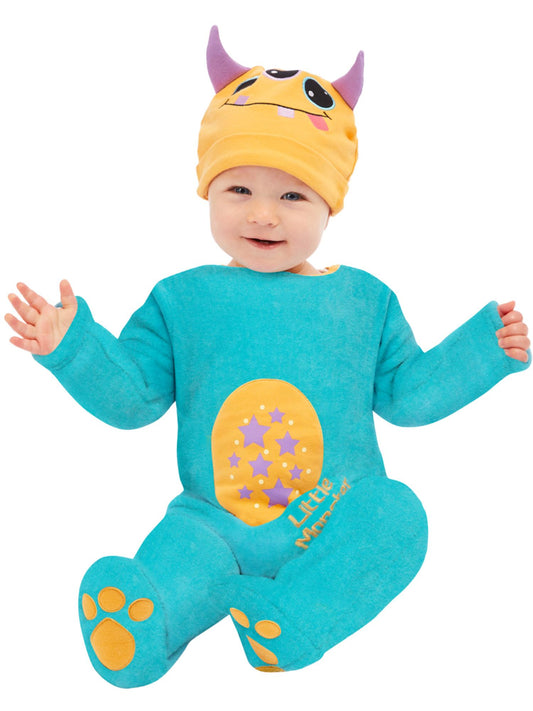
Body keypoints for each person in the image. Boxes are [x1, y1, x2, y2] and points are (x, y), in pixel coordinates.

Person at [4, 26, 530, 688]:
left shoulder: (363, 300)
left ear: (330, 204)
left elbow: (406, 394)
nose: (263, 215)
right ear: (207, 190)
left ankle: (295, 616)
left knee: (397, 518)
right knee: (178, 563)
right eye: (238, 190)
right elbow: (133, 398)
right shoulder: (181, 299)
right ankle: (145, 622)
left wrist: (485, 350)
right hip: (213, 527)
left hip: (336, 518)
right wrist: (72, 347)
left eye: (292, 195)